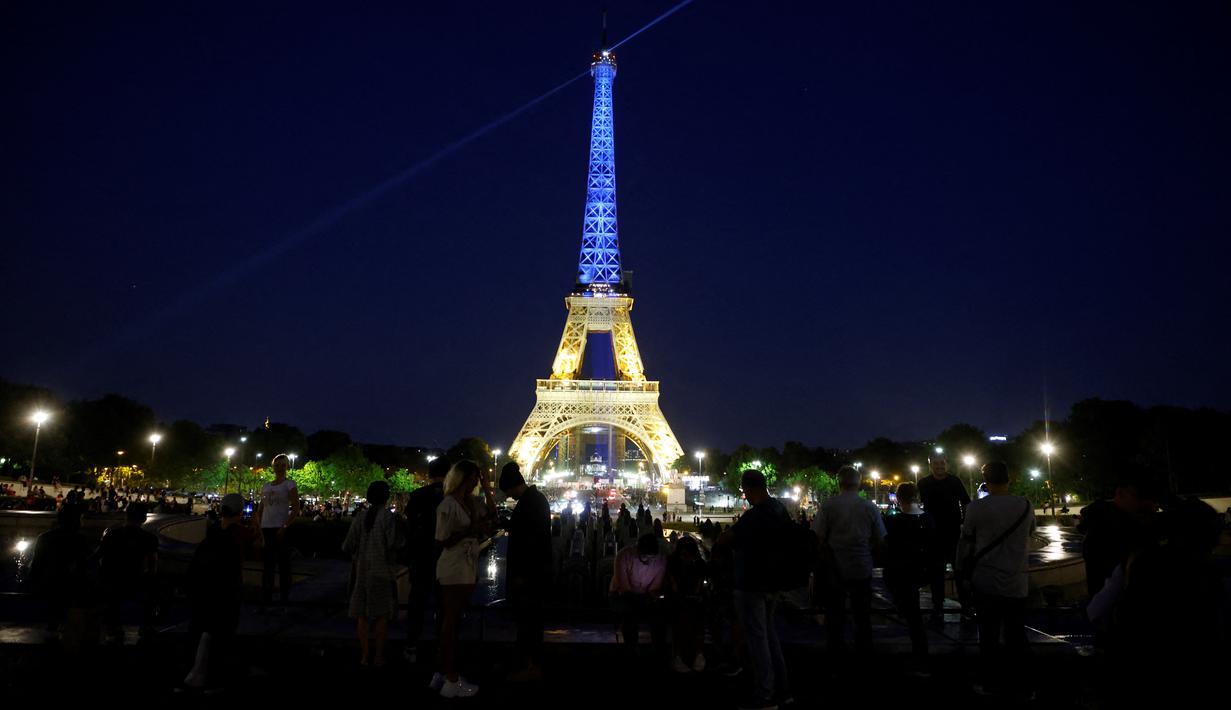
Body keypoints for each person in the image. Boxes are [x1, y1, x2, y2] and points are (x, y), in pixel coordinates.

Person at [956, 461, 1036, 698]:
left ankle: (990, 683)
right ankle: (1023, 685)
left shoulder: (976, 508)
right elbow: (1030, 533)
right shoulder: (1025, 505)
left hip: (986, 579)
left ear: (985, 481)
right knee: (1016, 634)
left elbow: (966, 543)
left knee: (988, 635)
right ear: (1009, 479)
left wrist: (962, 572)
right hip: (1017, 580)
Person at [720, 469, 792, 710]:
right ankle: (782, 690)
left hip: (752, 583)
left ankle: (765, 694)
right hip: (774, 582)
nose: (745, 495)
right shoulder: (780, 510)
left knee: (758, 640)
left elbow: (728, 539)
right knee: (770, 637)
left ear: (749, 489)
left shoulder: (755, 516)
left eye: (744, 491)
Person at [430, 460, 494, 698]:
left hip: (465, 564)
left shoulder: (470, 503)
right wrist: (471, 530)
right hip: (454, 566)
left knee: (451, 622)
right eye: (476, 477)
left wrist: (488, 489)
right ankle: (452, 679)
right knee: (451, 623)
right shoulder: (448, 504)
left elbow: (492, 515)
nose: (478, 481)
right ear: (464, 478)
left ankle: (440, 674)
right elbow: (440, 541)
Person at [814, 465, 886, 654]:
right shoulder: (869, 507)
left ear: (839, 483)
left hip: (835, 568)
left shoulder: (829, 506)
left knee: (835, 615)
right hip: (861, 565)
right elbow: (880, 537)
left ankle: (836, 654)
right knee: (862, 616)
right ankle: (864, 653)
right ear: (859, 483)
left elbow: (817, 536)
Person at [180, 494, 247, 693]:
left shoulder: (211, 535)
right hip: (224, 596)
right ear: (240, 512)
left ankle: (193, 674)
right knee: (220, 636)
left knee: (201, 632)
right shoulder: (236, 537)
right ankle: (212, 679)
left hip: (203, 594)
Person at [498, 461, 552, 682]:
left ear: (512, 487)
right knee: (529, 622)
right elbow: (529, 531)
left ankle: (531, 665)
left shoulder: (530, 503)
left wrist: (521, 576)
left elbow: (529, 540)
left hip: (529, 575)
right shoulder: (535, 500)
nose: (508, 496)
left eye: (507, 492)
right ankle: (527, 663)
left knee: (529, 622)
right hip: (533, 572)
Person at [343, 479, 404, 668]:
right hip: (382, 572)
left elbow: (347, 545)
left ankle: (364, 655)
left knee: (362, 616)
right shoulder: (388, 518)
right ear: (386, 497)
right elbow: (395, 543)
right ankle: (378, 656)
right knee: (381, 616)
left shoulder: (360, 518)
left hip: (361, 572)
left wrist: (356, 554)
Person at [1077, 464, 1161, 598]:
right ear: (1120, 493)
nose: (1152, 505)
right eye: (1141, 496)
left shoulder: (1107, 522)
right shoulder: (1108, 529)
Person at [402, 455, 449, 664]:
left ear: (429, 475)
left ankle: (412, 645)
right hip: (445, 559)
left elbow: (409, 527)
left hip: (421, 558)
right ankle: (442, 646)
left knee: (417, 604)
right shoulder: (452, 498)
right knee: (444, 606)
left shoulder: (417, 496)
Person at [883, 482, 934, 669]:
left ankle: (920, 657)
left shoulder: (893, 521)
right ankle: (921, 653)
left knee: (912, 614)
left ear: (899, 498)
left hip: (901, 571)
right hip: (922, 570)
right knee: (915, 614)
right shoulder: (928, 519)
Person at [28, 504, 95, 635]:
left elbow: (36, 564)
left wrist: (33, 582)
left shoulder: (45, 537)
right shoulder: (80, 539)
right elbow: (87, 564)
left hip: (50, 584)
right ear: (75, 521)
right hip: (72, 586)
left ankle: (52, 631)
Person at [917, 453, 970, 617]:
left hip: (953, 531)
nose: (939, 466)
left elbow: (966, 502)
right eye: (936, 463)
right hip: (933, 534)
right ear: (930, 465)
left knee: (959, 570)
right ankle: (938, 604)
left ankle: (966, 605)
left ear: (947, 464)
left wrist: (964, 522)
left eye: (942, 463)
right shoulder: (923, 483)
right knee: (936, 571)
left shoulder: (955, 481)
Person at [98, 502, 159, 642]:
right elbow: (152, 567)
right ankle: (148, 624)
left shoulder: (112, 534)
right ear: (144, 518)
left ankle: (113, 625)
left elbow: (100, 557)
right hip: (136, 581)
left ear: (126, 515)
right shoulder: (149, 539)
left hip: (112, 581)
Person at [610, 532, 668, 659]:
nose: (648, 561)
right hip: (622, 594)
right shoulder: (624, 556)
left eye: (652, 558)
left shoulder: (661, 559)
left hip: (647, 595)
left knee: (659, 615)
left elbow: (655, 587)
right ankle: (631, 649)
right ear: (638, 550)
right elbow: (624, 587)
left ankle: (659, 650)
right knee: (629, 613)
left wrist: (651, 599)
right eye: (645, 557)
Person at [254, 453, 300, 608]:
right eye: (277, 465)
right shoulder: (266, 486)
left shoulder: (290, 484)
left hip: (281, 529)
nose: (280, 468)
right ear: (273, 467)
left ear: (287, 466)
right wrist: (259, 528)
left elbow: (295, 508)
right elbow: (261, 508)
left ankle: (284, 599)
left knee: (283, 565)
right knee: (268, 566)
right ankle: (266, 599)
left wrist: (285, 526)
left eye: (283, 465)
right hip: (266, 528)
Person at [667, 534, 708, 673]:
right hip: (678, 598)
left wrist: (695, 595)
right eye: (683, 555)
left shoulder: (699, 564)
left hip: (692, 598)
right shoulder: (673, 563)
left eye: (687, 555)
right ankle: (679, 655)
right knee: (682, 622)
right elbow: (673, 586)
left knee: (696, 623)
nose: (685, 558)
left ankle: (697, 654)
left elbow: (699, 585)